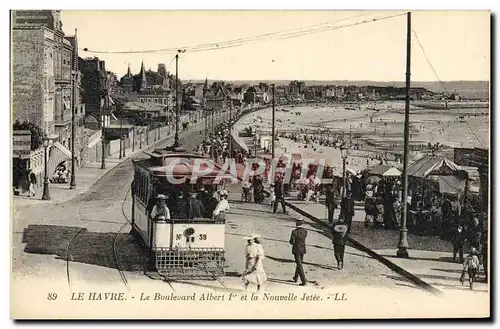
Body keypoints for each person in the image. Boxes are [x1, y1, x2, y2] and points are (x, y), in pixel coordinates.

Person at [289, 218, 307, 286]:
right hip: (302, 249)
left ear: (296, 223)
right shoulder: (305, 231)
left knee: (299, 264)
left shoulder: (294, 232)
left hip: (296, 249)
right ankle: (296, 277)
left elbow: (292, 242)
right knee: (299, 263)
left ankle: (303, 280)